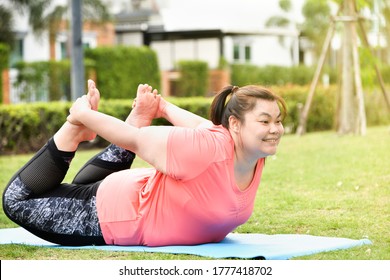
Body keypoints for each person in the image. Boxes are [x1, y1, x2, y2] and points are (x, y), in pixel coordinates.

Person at [2, 79, 286, 246]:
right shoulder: (209, 149)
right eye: (265, 121)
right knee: (16, 200)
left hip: (126, 193)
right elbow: (134, 139)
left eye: (278, 121)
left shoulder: (248, 152)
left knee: (82, 186)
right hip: (109, 216)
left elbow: (203, 126)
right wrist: (82, 113)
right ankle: (74, 127)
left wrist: (162, 107)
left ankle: (89, 126)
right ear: (235, 125)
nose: (275, 129)